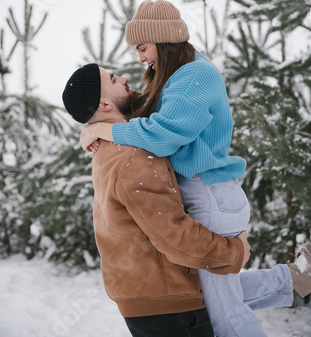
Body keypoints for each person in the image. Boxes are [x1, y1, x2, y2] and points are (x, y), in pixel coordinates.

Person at [79, 0, 311, 337]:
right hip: (203, 194)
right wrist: (92, 124)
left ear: (162, 40)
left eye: (143, 48)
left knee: (226, 316)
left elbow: (160, 135)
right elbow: (136, 113)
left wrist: (101, 129)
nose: (140, 58)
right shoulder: (175, 76)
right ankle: (296, 277)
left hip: (208, 194)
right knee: (214, 297)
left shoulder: (194, 75)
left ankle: (295, 278)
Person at [62, 63, 251, 337]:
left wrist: (94, 128)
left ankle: (294, 279)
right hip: (169, 306)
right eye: (114, 79)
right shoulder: (133, 156)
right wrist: (234, 253)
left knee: (228, 297)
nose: (125, 78)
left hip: (146, 298)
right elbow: (173, 233)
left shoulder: (107, 149)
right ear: (103, 104)